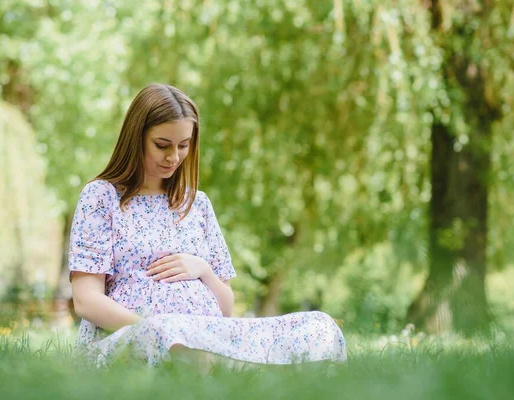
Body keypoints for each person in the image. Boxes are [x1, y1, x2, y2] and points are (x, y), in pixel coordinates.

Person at [69, 83, 347, 367]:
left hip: (208, 336)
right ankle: (217, 365)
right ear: (135, 138)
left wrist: (204, 271)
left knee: (317, 327)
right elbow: (86, 301)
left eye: (184, 145)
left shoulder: (197, 204)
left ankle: (227, 365)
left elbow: (225, 309)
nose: (174, 157)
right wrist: (157, 331)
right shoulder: (102, 197)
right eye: (162, 145)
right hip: (134, 337)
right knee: (179, 342)